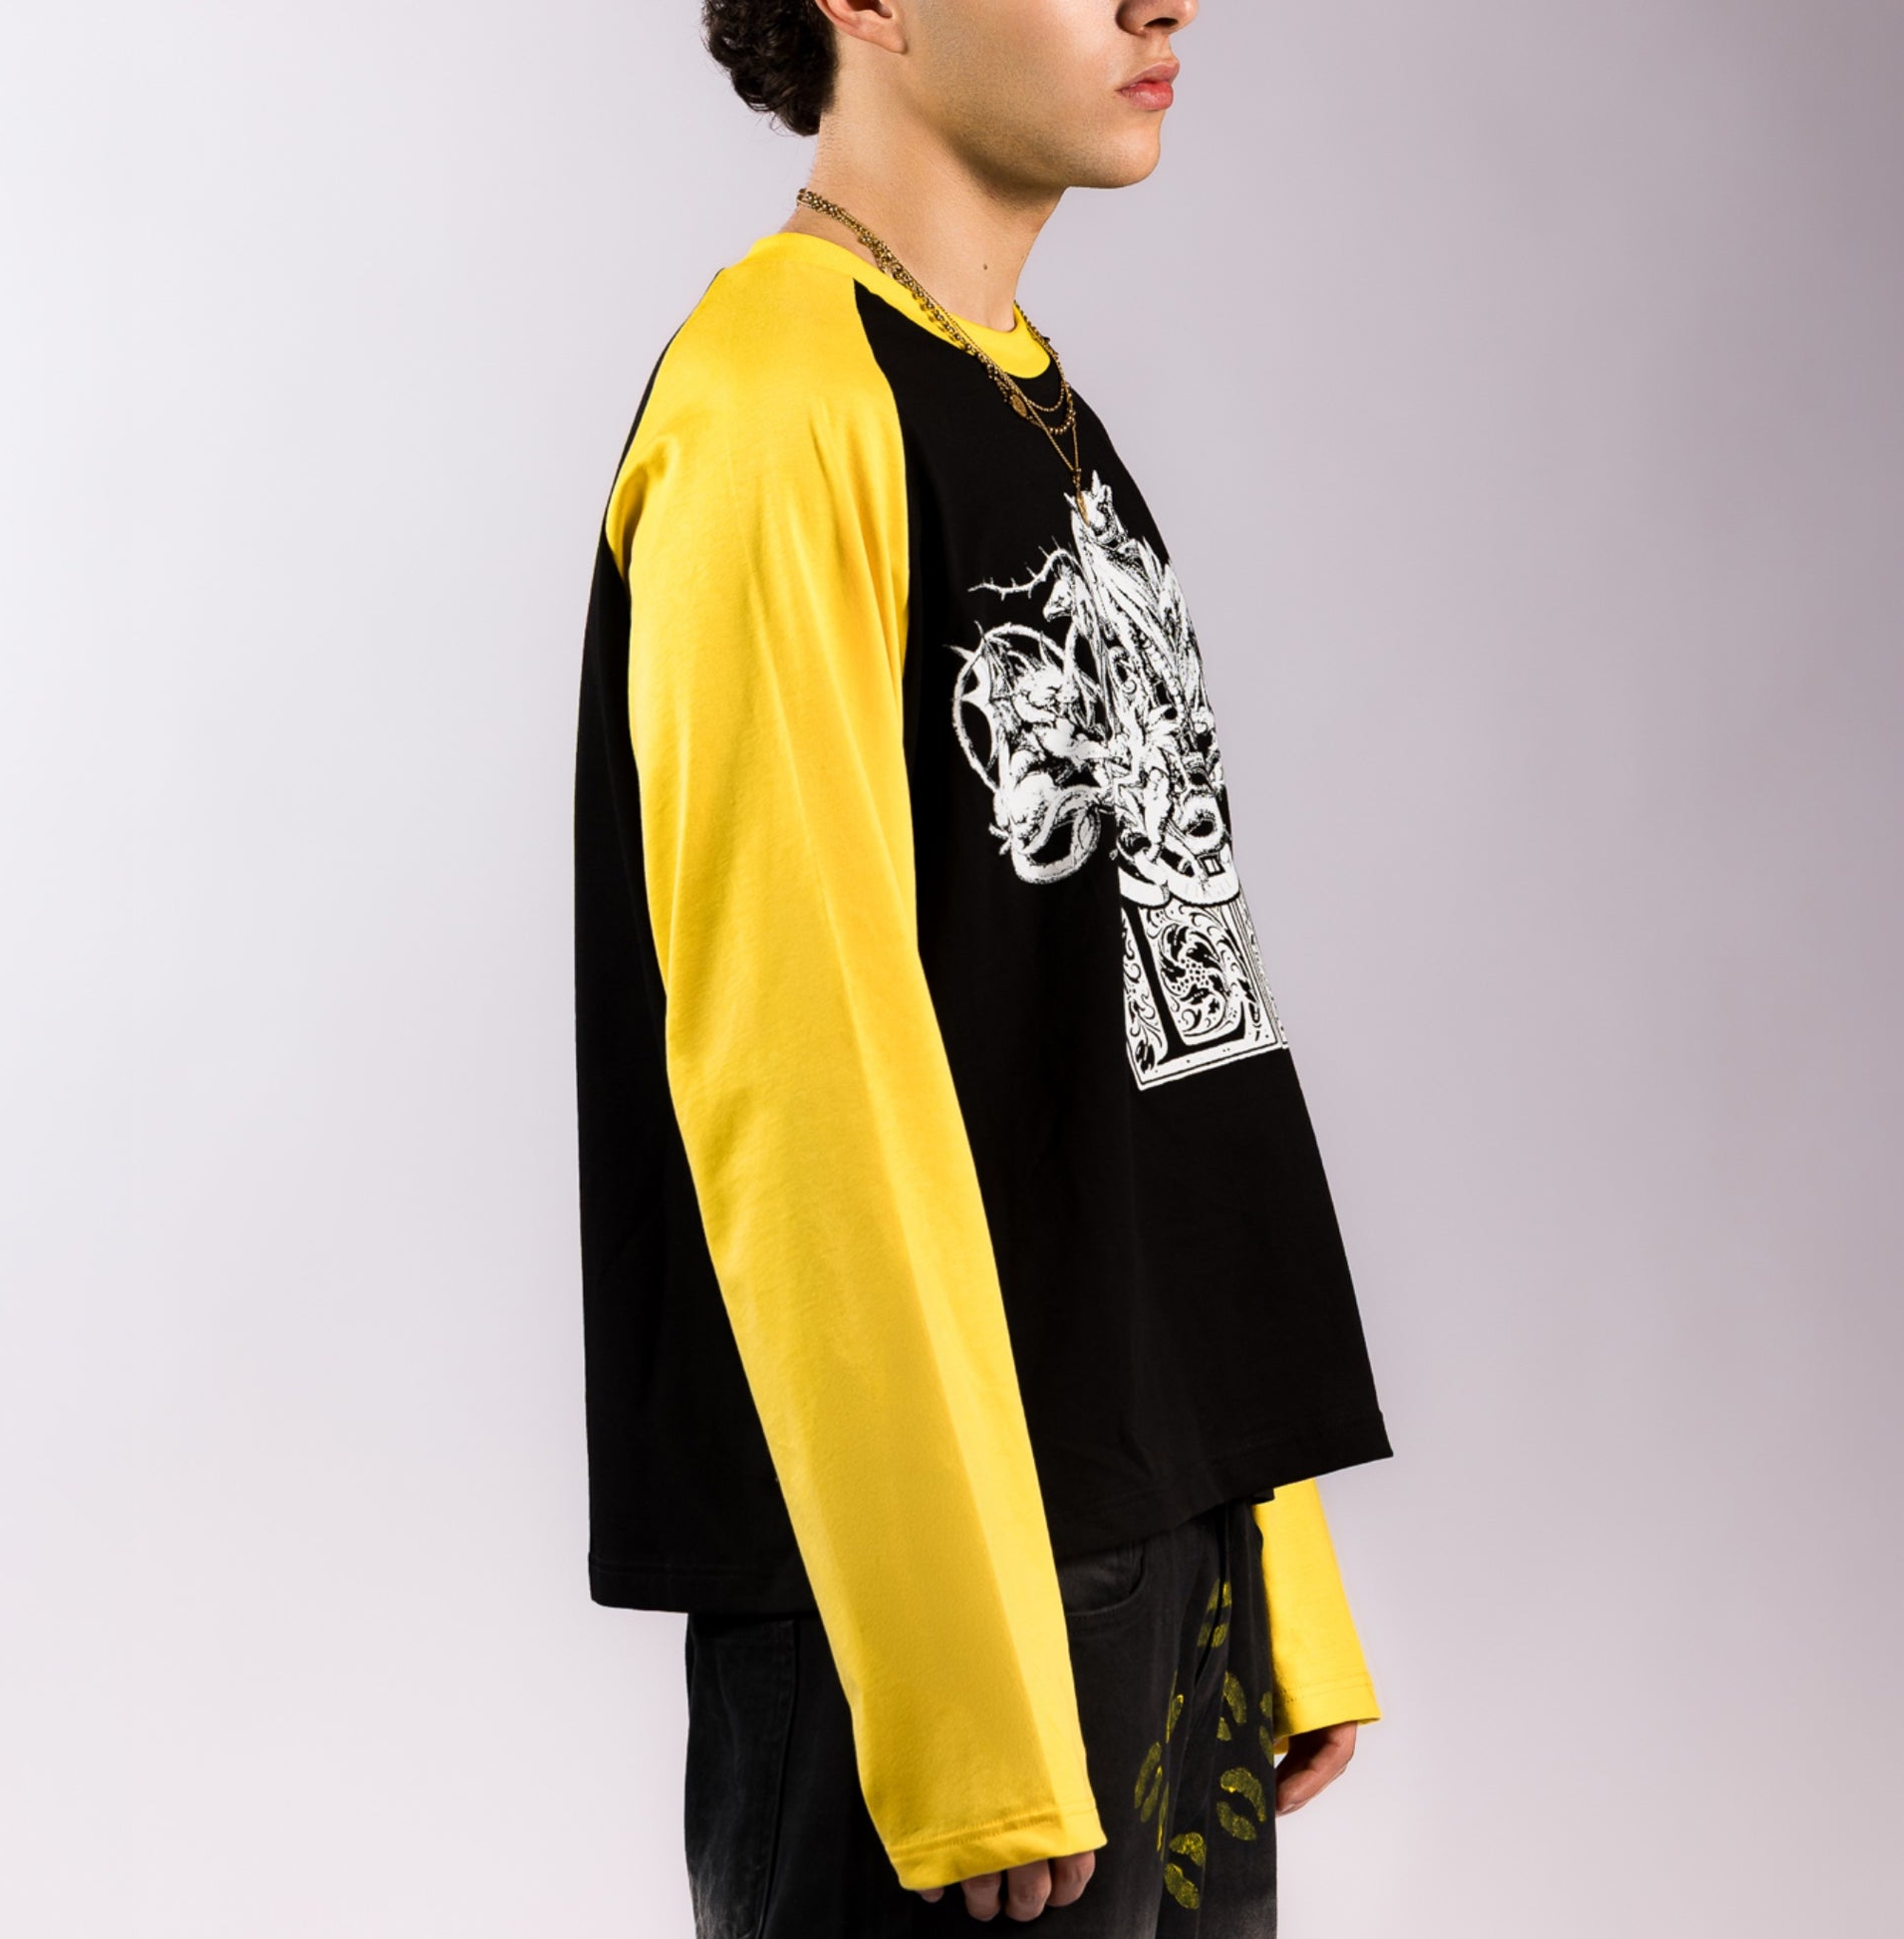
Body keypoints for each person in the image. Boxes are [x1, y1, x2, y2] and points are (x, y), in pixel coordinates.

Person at [571, 0, 1396, 1929]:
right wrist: (957, 1694)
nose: (1160, 2)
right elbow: (802, 1079)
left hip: (1152, 1535)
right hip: (940, 1607)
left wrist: (1273, 1552)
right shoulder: (775, 404)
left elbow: (1171, 995)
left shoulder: (1026, 398)